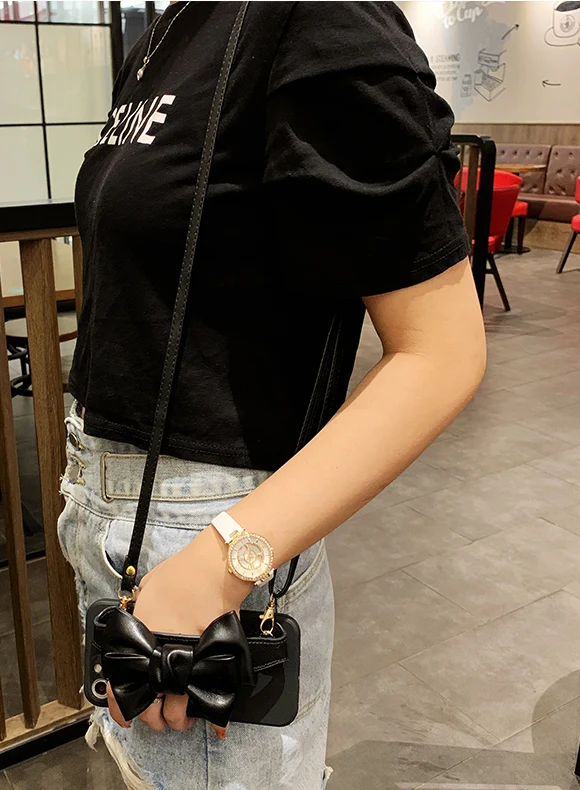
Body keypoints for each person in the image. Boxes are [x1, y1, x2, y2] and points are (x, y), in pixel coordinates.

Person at [58, 2, 486, 788]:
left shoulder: (319, 20)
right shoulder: (171, 26)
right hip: (113, 508)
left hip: (207, 538)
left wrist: (216, 566)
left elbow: (442, 352)